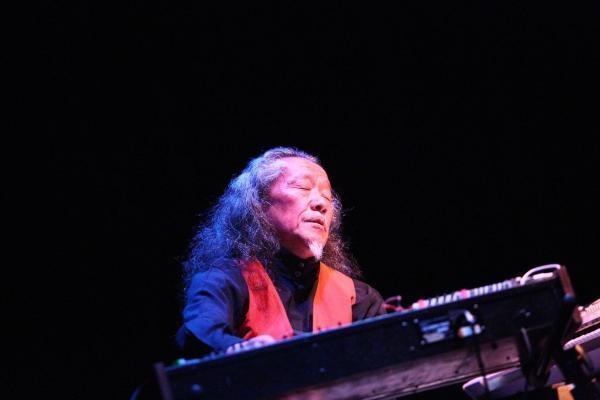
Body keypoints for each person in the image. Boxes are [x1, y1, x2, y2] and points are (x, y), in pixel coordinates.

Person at [176, 147, 385, 357]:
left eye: (327, 197)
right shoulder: (227, 280)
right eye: (303, 187)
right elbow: (199, 335)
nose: (321, 203)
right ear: (259, 204)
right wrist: (239, 351)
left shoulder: (358, 298)